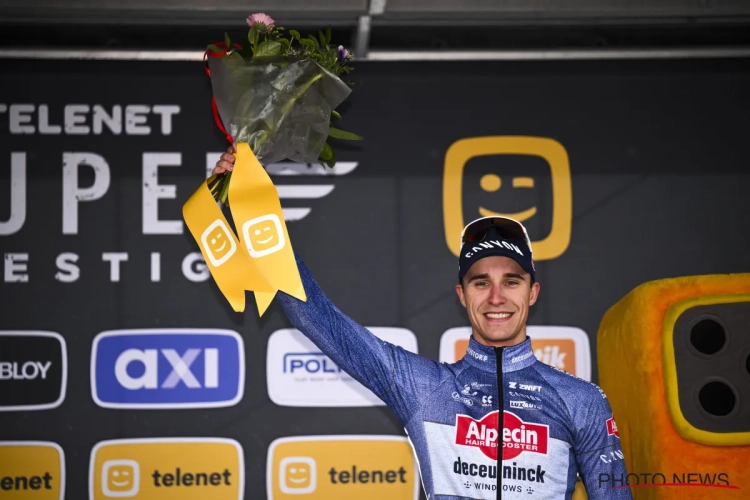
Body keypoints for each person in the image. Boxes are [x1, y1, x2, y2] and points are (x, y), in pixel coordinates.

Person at [213, 150, 632, 500]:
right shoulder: (424, 388)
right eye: (480, 283)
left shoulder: (581, 400)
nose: (496, 298)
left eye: (511, 282)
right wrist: (248, 205)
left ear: (533, 292)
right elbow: (314, 313)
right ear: (462, 295)